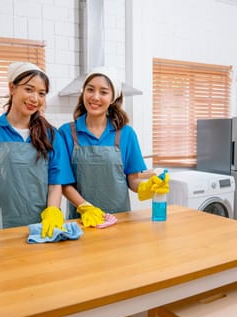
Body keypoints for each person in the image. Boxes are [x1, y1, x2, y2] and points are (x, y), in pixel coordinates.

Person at [0, 62, 74, 238]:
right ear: (12, 88)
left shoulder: (51, 135)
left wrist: (53, 212)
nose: (35, 98)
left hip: (45, 229)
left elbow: (55, 184)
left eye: (41, 93)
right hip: (5, 230)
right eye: (29, 89)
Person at [59, 66, 169, 227]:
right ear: (83, 93)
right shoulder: (66, 132)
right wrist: (85, 207)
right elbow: (64, 184)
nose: (95, 97)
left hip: (120, 220)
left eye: (103, 92)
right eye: (90, 90)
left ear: (113, 99)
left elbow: (133, 181)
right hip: (82, 221)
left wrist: (148, 187)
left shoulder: (126, 133)